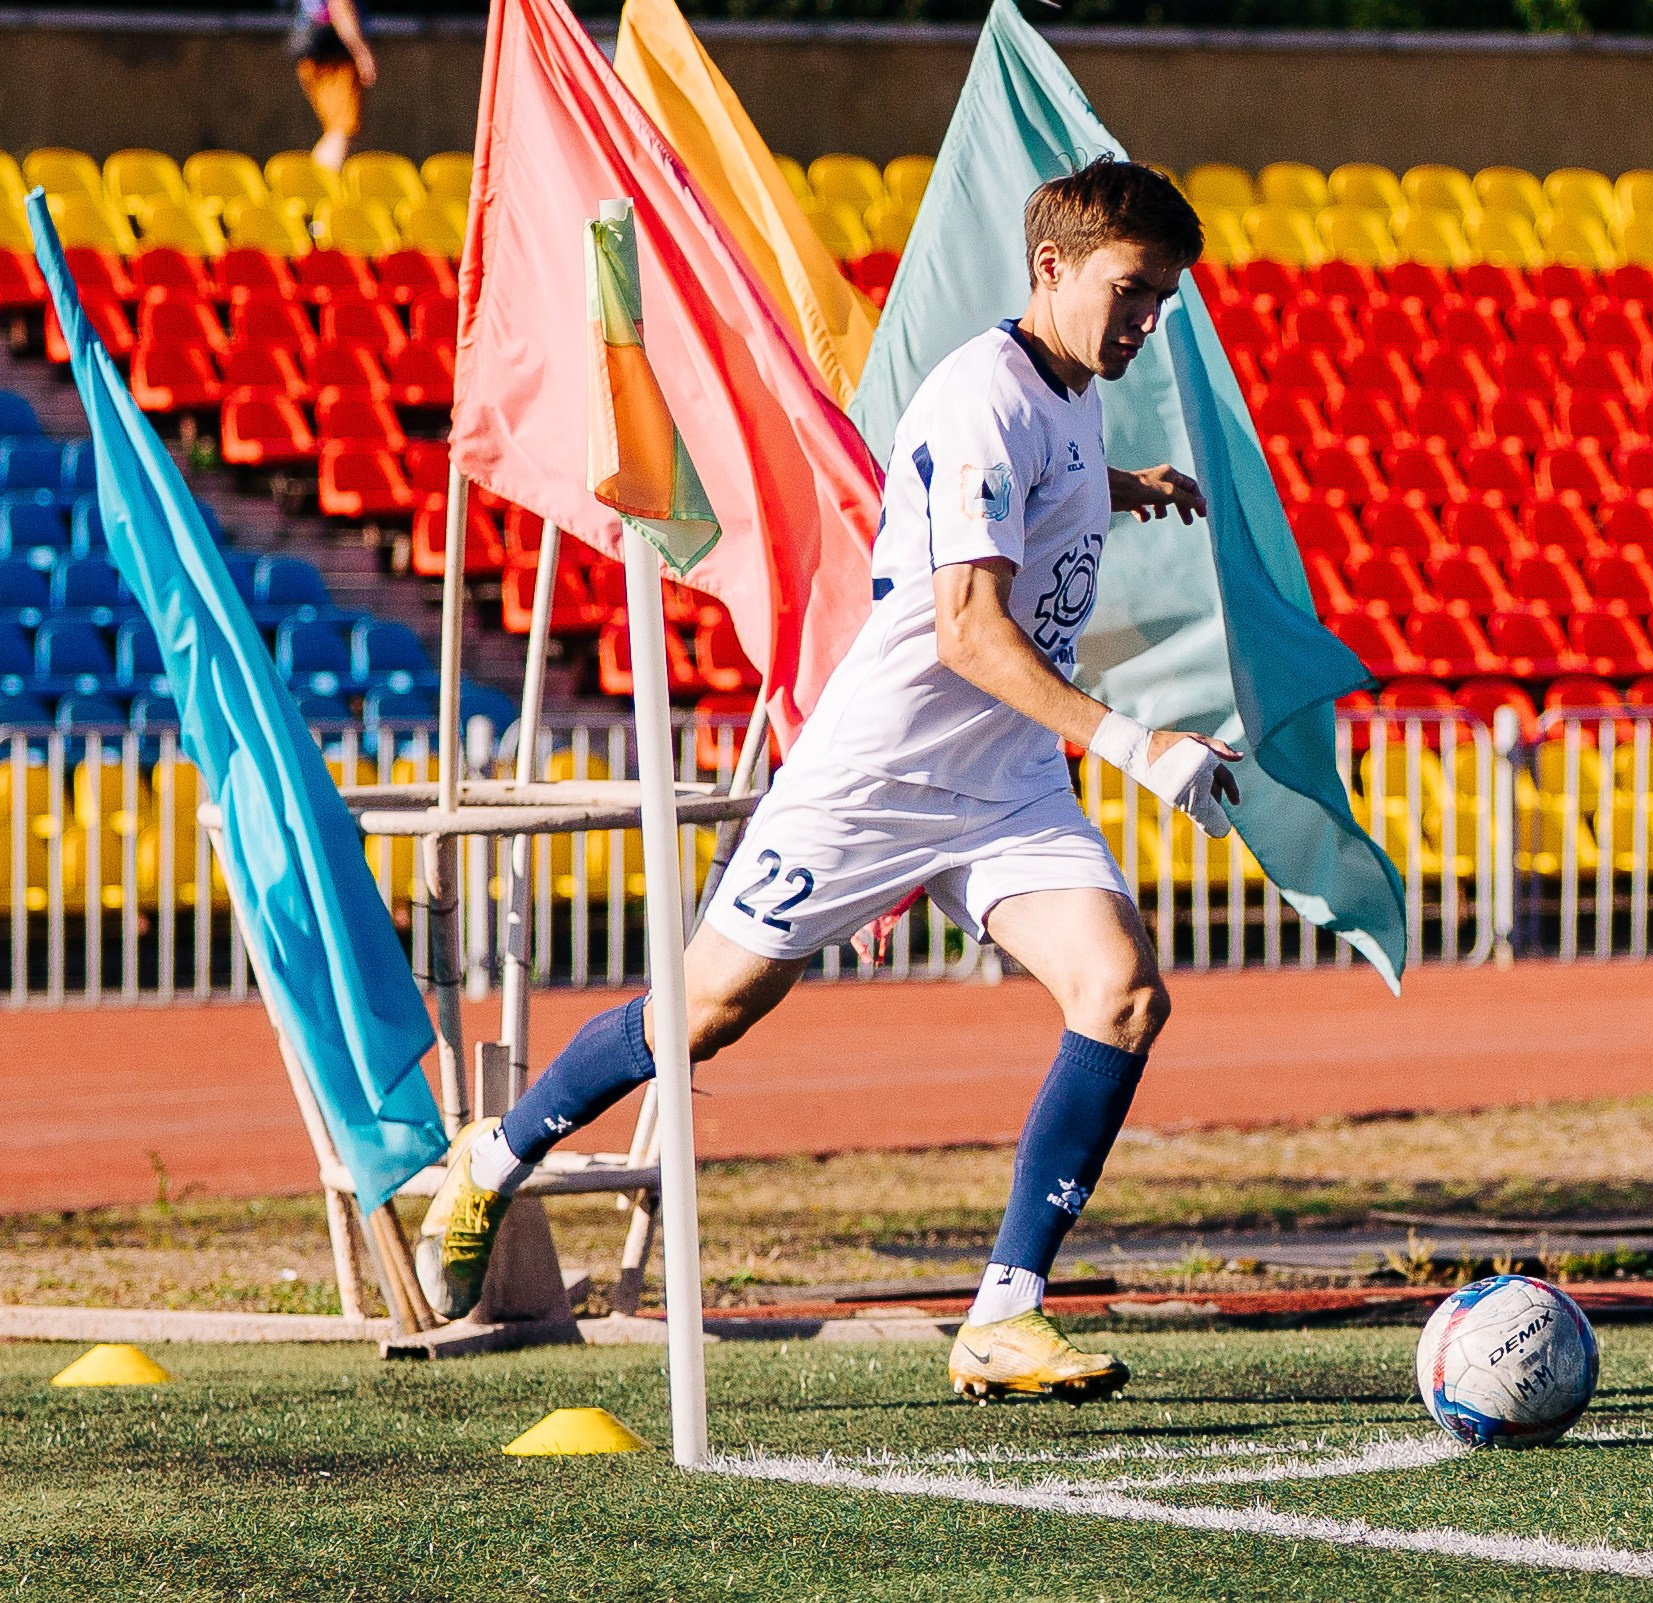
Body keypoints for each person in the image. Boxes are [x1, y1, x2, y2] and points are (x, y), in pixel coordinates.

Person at [417, 158, 1230, 1404]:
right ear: (1052, 266)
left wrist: (1126, 486)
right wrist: (1137, 743)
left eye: (1163, 298)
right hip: (877, 775)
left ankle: (1003, 1315)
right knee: (705, 1013)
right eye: (1132, 290)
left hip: (1006, 779)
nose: (1147, 320)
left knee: (1120, 992)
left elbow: (1038, 484)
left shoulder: (1068, 390)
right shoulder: (983, 395)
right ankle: (494, 1154)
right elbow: (969, 631)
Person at [292, 0, 376, 174]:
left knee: (337, 130)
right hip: (334, 56)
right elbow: (340, 6)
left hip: (314, 51)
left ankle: (316, 182)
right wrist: (361, 52)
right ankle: (318, 185)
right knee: (342, 130)